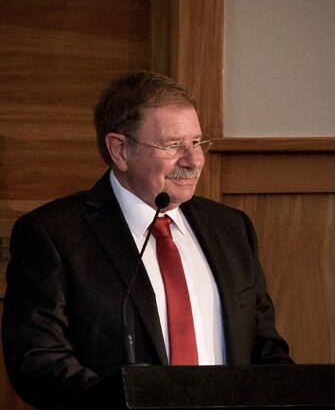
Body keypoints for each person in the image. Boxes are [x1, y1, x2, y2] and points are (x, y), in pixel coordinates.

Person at [2, 71, 293, 410]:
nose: (193, 160)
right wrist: (129, 404)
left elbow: (265, 348)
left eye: (197, 143)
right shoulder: (53, 235)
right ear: (120, 150)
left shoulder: (231, 228)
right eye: (173, 146)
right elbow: (39, 360)